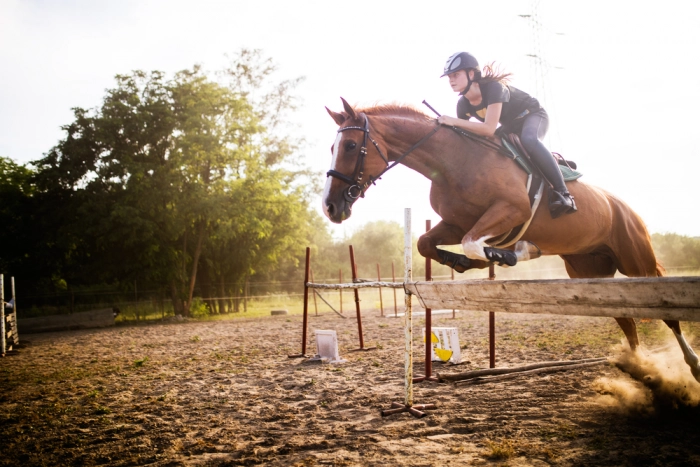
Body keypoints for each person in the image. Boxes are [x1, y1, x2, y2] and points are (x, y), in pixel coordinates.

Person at [437, 51, 576, 218]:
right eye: (449, 76)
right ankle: (547, 161)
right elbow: (466, 136)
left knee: (529, 139)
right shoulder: (463, 104)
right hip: (511, 125)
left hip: (533, 115)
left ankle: (564, 194)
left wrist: (454, 121)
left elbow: (488, 128)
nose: (451, 80)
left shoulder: (494, 88)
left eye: (455, 75)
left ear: (471, 73)